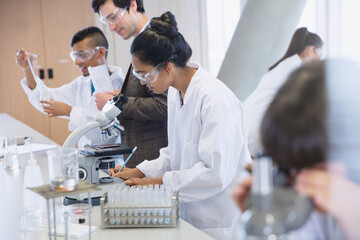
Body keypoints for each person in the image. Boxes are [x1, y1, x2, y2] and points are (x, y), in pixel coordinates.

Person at [107, 11, 251, 239]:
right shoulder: (176, 94)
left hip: (221, 218)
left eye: (145, 75)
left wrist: (157, 182)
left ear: (167, 67)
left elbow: (215, 174)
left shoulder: (214, 99)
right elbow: (175, 153)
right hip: (192, 213)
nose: (144, 83)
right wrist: (139, 171)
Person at [233, 60, 360, 240]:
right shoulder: (309, 201)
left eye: (319, 171)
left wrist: (354, 221)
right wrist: (265, 221)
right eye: (292, 171)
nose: (302, 184)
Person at [15, 26, 124, 149]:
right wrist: (27, 69)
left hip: (114, 162)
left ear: (100, 52)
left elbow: (105, 135)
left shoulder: (121, 85)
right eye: (74, 56)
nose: (77, 62)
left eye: (81, 55)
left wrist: (69, 111)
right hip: (86, 157)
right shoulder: (82, 83)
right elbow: (46, 99)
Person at [91, 0, 168, 167]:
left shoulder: (156, 40)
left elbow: (165, 104)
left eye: (113, 17)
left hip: (155, 156)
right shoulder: (143, 39)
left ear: (132, 5)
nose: (111, 27)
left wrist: (117, 104)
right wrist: (121, 96)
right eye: (106, 22)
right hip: (142, 156)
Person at [244, 27, 323, 155]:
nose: (320, 59)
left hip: (248, 123)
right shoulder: (294, 68)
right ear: (310, 50)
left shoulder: (288, 64)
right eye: (320, 53)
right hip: (256, 129)